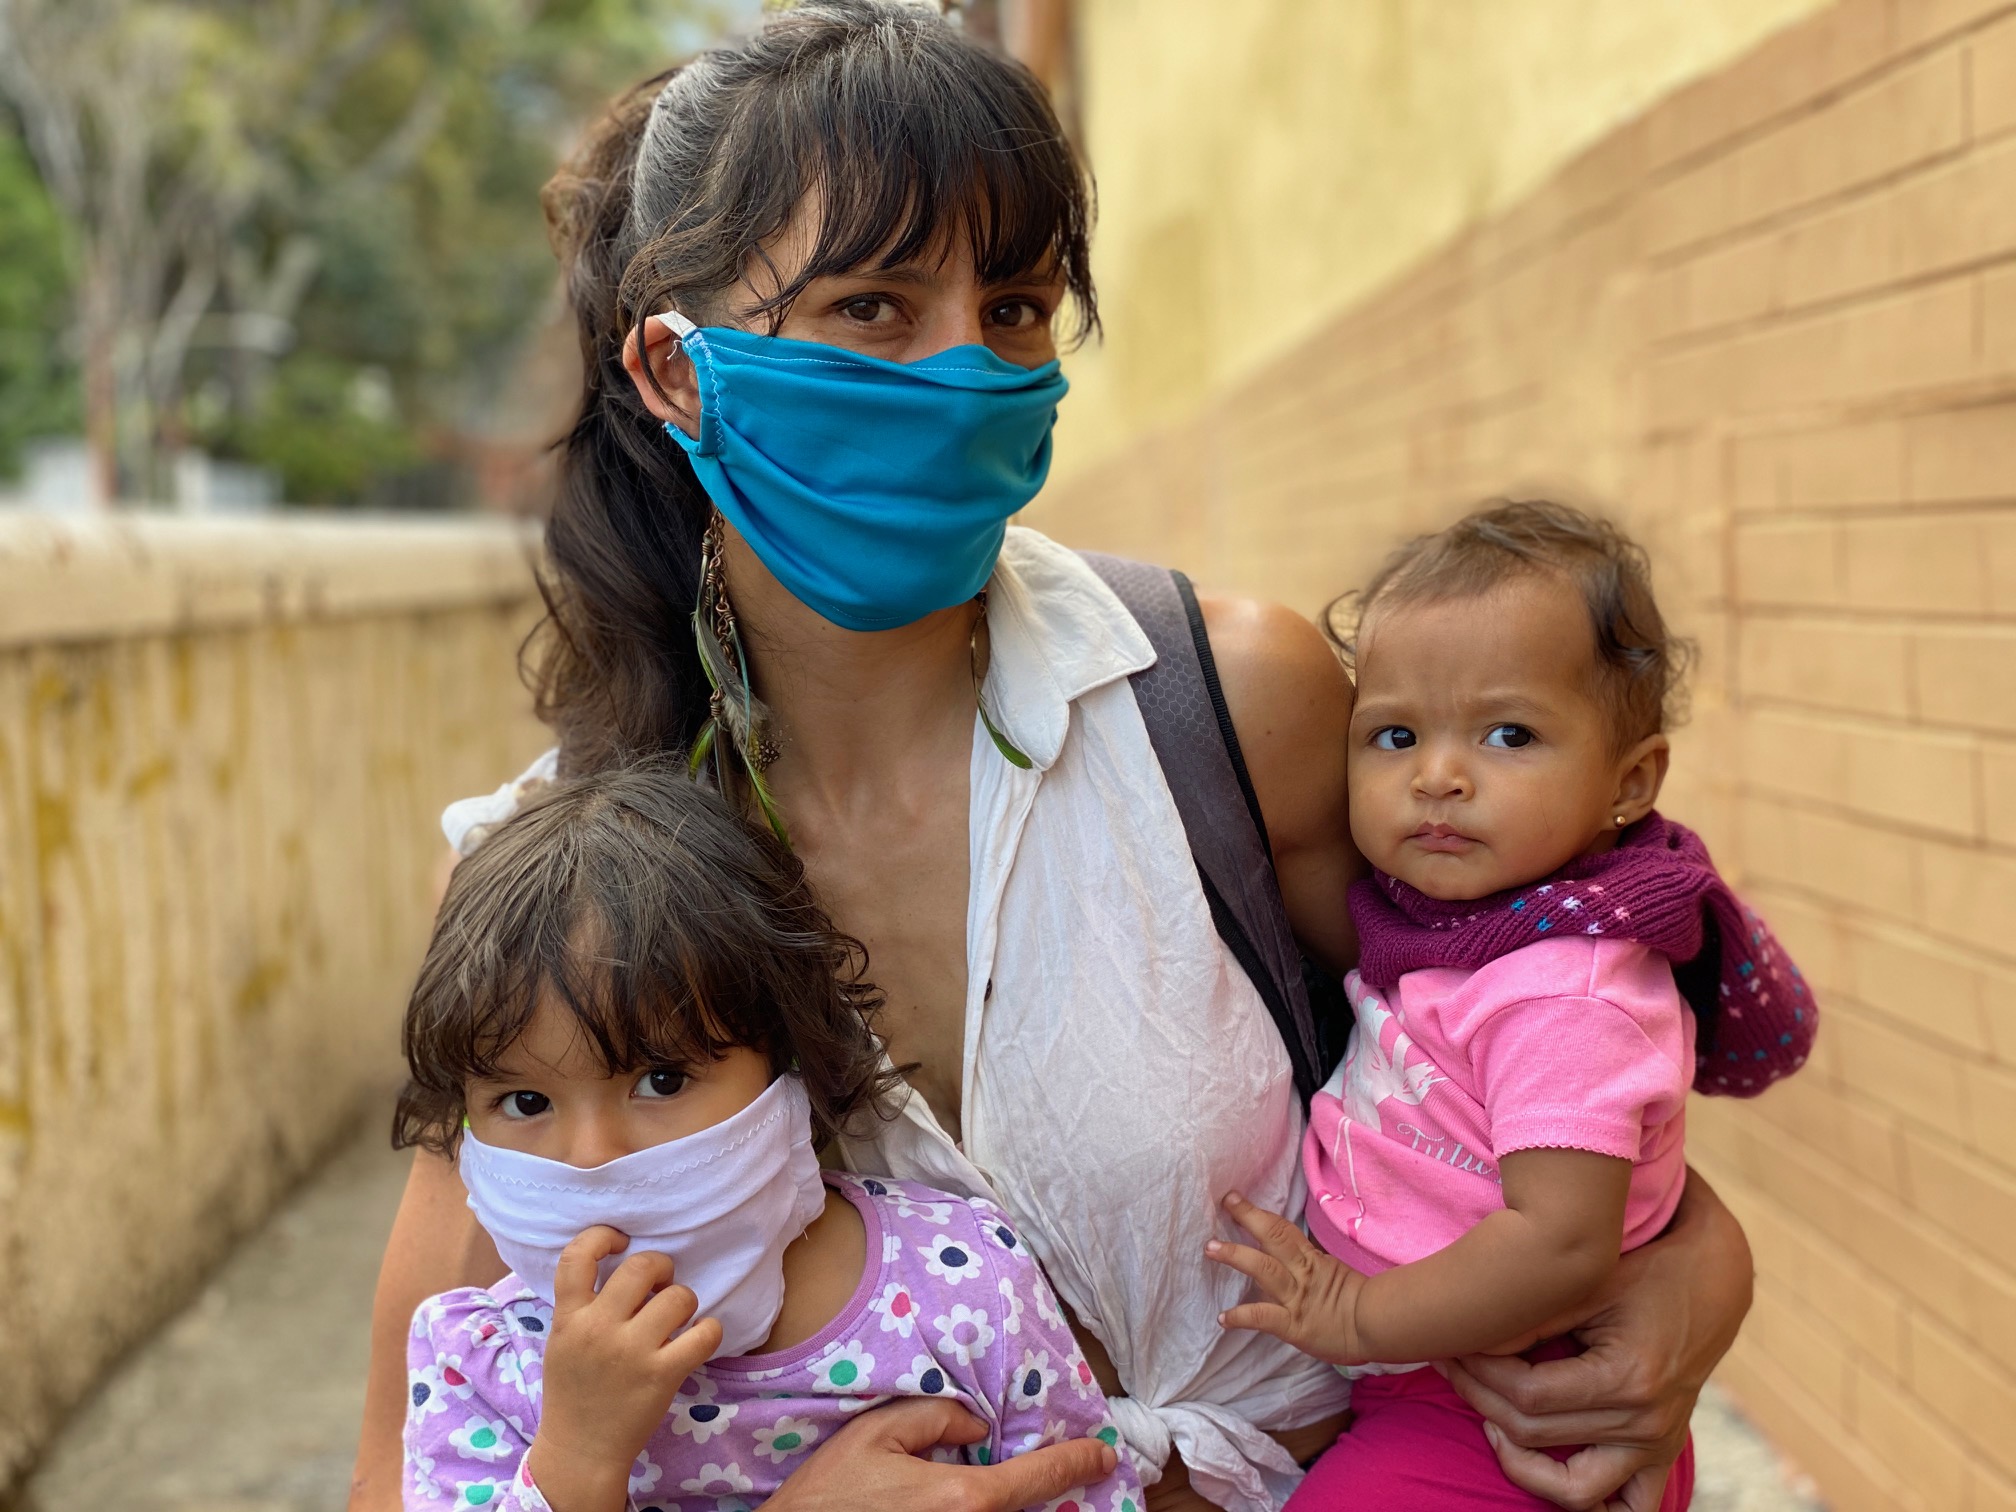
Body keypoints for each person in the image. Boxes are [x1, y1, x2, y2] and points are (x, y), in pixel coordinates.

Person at [348, 7, 1763, 1511]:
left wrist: (1699, 1261)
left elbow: (1515, 1029)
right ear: (675, 373)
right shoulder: (541, 890)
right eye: (876, 309)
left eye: (1014, 307)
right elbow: (407, 1475)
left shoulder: (1228, 702)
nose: (965, 370)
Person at [1206, 502, 1815, 1510]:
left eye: (1509, 733)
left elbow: (1561, 1243)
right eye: (1395, 734)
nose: (1439, 777)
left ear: (1631, 782)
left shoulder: (1566, 990)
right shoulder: (1447, 934)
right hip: (1441, 1377)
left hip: (1506, 1404)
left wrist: (1353, 1316)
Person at [395, 763, 1143, 1512]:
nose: (591, 1154)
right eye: (525, 1100)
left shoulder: (965, 1286)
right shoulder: (481, 1367)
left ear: (783, 1055)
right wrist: (578, 1458)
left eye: (659, 1080)